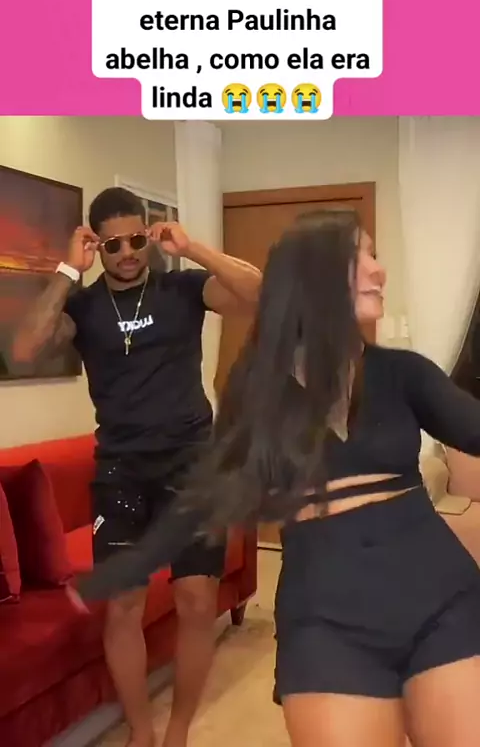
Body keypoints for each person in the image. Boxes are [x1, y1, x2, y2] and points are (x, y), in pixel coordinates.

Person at [75, 208, 480, 747]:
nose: (378, 270)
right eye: (359, 257)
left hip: (441, 600)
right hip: (326, 622)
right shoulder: (256, 389)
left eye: (374, 256)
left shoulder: (405, 373)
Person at [12, 187, 261, 747]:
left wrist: (193, 248)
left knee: (196, 600)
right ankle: (141, 732)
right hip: (120, 471)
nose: (127, 253)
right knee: (123, 606)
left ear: (149, 236)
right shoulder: (84, 307)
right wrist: (66, 271)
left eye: (135, 240)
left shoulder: (183, 288)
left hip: (192, 464)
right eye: (113, 244)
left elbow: (260, 294)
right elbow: (24, 350)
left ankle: (178, 733)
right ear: (96, 245)